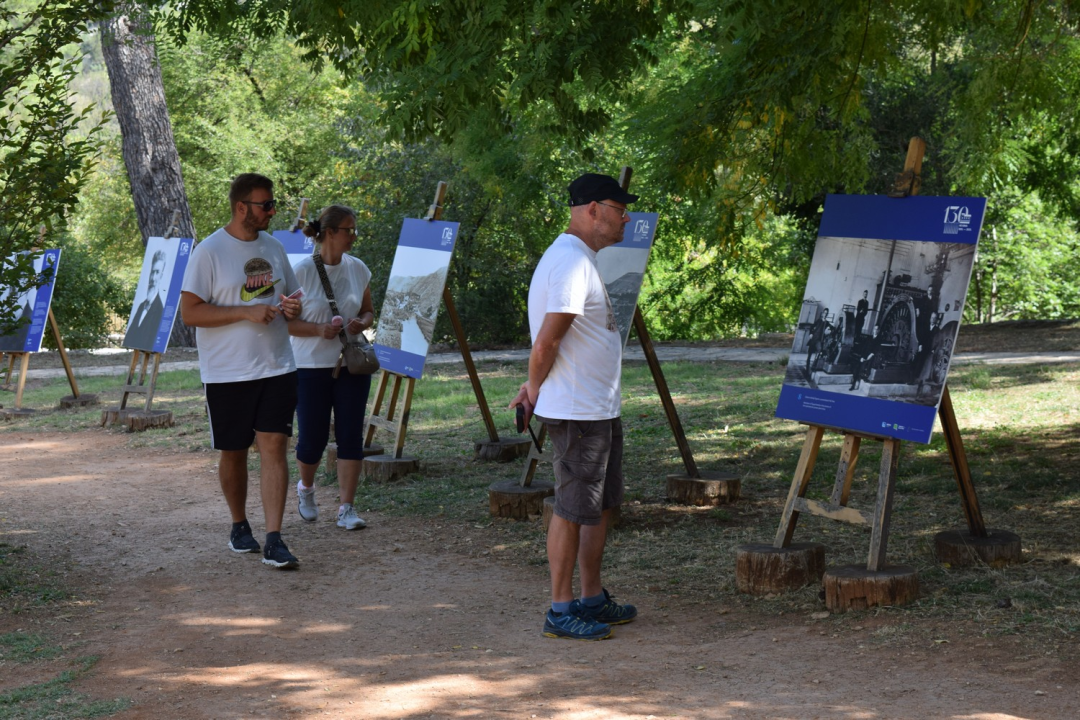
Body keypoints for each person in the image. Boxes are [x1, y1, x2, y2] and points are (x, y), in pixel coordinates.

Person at [510, 172, 639, 641]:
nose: (626, 218)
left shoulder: (580, 258)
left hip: (595, 408)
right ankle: (560, 609)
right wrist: (534, 387)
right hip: (578, 411)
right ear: (592, 210)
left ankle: (590, 597)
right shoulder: (569, 260)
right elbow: (547, 342)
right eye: (619, 209)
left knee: (597, 507)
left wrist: (533, 387)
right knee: (570, 508)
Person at [180, 173, 304, 570]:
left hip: (277, 365)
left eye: (272, 204)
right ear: (240, 207)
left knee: (274, 446)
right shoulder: (209, 251)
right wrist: (245, 312)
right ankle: (239, 525)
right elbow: (190, 312)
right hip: (228, 372)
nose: (272, 211)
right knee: (233, 452)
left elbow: (291, 296)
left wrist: (292, 307)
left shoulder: (274, 247)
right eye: (265, 205)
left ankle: (274, 539)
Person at [287, 205, 376, 531]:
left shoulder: (358, 268)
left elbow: (368, 311)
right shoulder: (300, 272)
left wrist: (361, 322)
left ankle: (346, 508)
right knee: (312, 438)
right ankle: (306, 488)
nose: (354, 236)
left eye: (354, 229)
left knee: (351, 435)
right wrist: (317, 330)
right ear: (328, 233)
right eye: (348, 230)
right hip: (310, 366)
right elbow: (286, 324)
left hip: (351, 364)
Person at [124, 249, 167, 351]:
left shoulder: (160, 310)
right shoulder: (141, 306)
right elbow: (130, 337)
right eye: (152, 272)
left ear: (161, 276)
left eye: (157, 272)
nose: (153, 278)